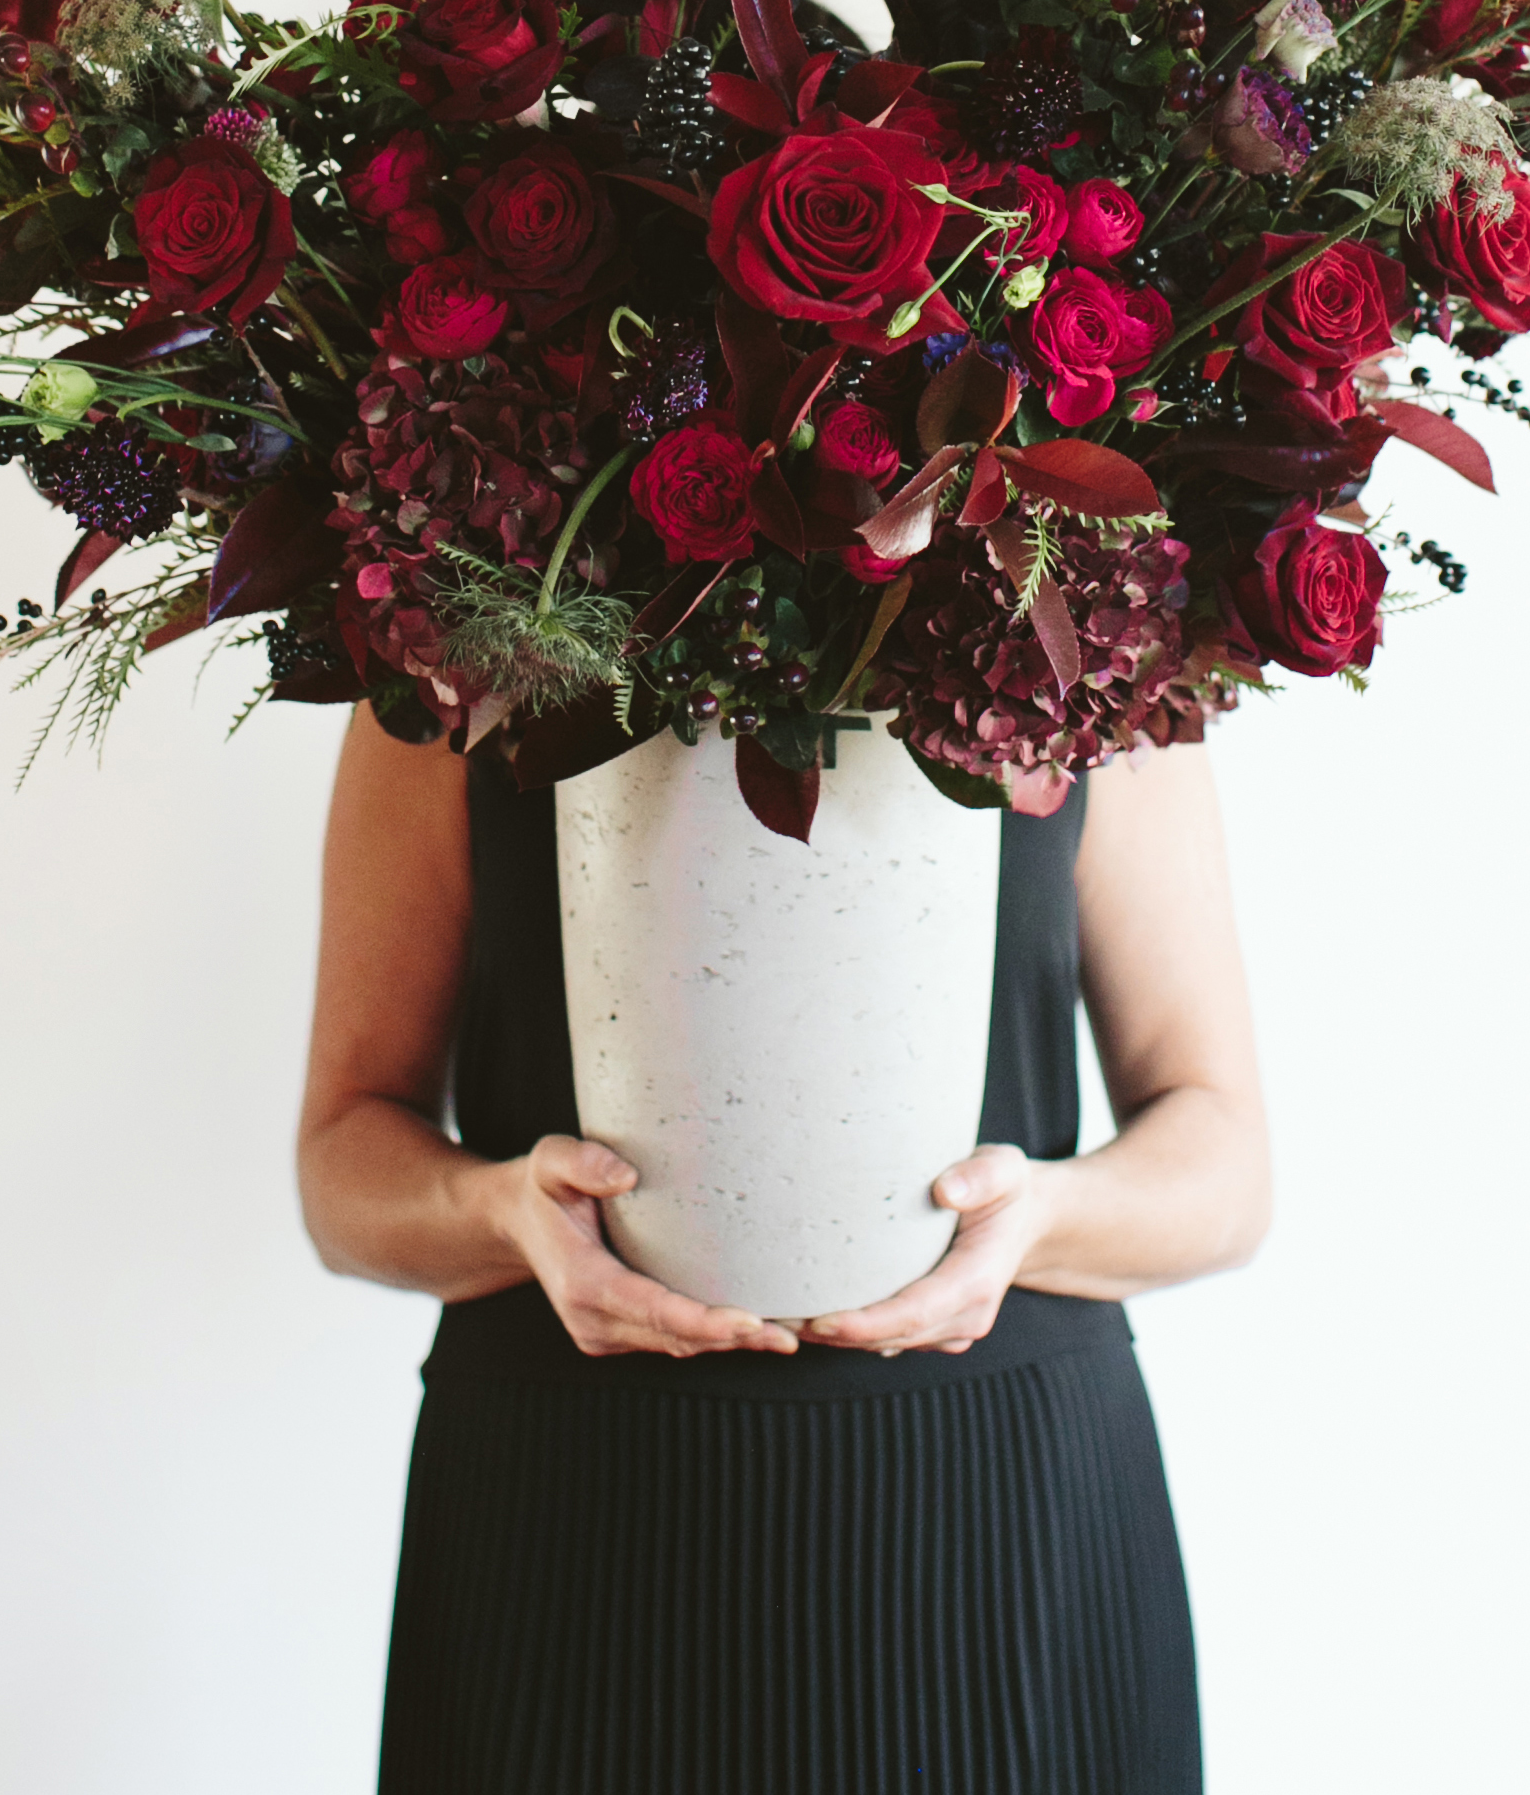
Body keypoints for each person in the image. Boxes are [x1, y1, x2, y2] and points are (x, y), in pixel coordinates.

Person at [299, 704, 1272, 1793]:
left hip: (1002, 1524)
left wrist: (1036, 1222)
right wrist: (502, 1215)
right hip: (569, 1526)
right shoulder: (448, 649)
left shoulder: (1086, 653)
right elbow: (345, 1162)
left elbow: (1227, 1171)